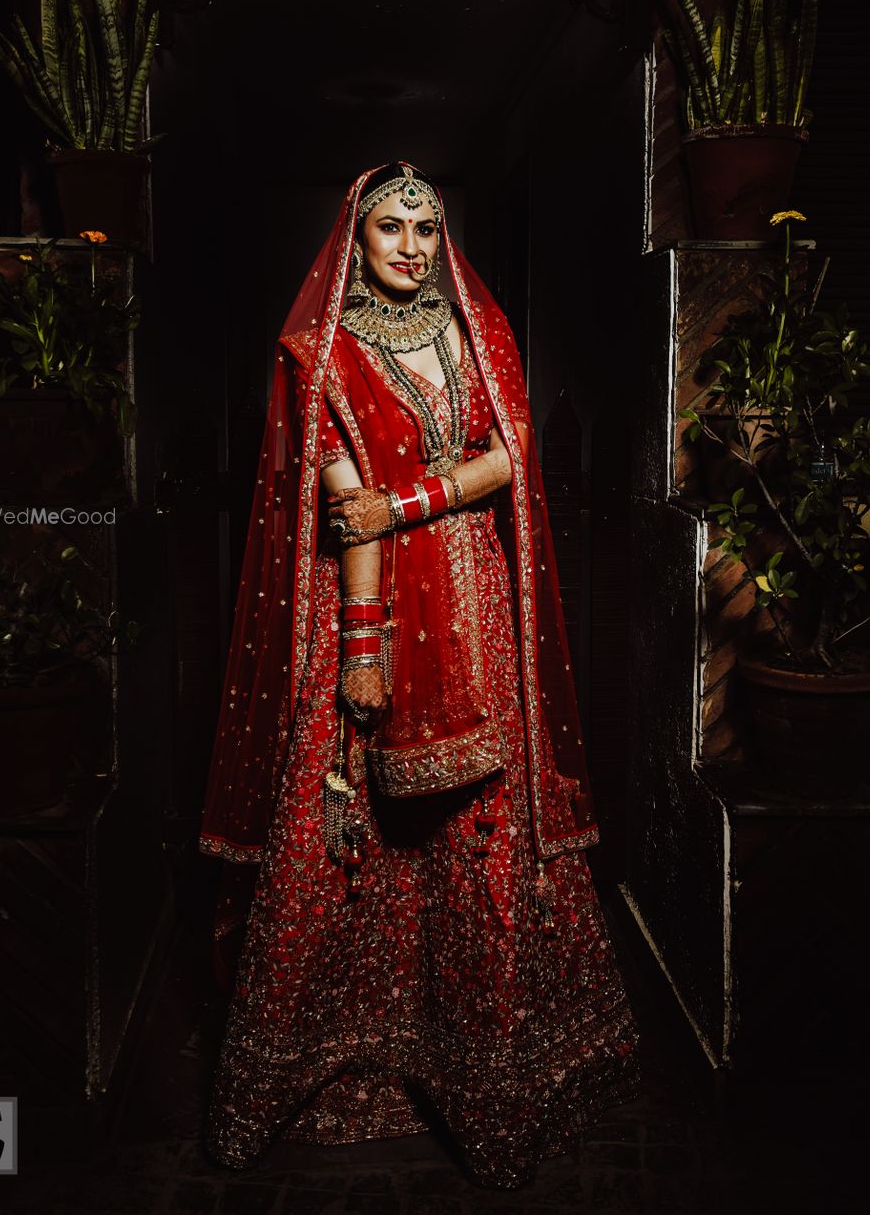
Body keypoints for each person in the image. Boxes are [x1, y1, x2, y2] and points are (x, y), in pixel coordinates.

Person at [200, 162, 640, 1189]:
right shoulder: (317, 352)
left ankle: (486, 1069)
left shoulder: (479, 336)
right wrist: (360, 652)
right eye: (390, 227)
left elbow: (509, 460)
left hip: (478, 615)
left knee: (479, 833)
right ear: (351, 240)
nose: (410, 245)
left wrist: (406, 506)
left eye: (426, 229)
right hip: (373, 616)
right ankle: (339, 1057)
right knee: (341, 830)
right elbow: (339, 509)